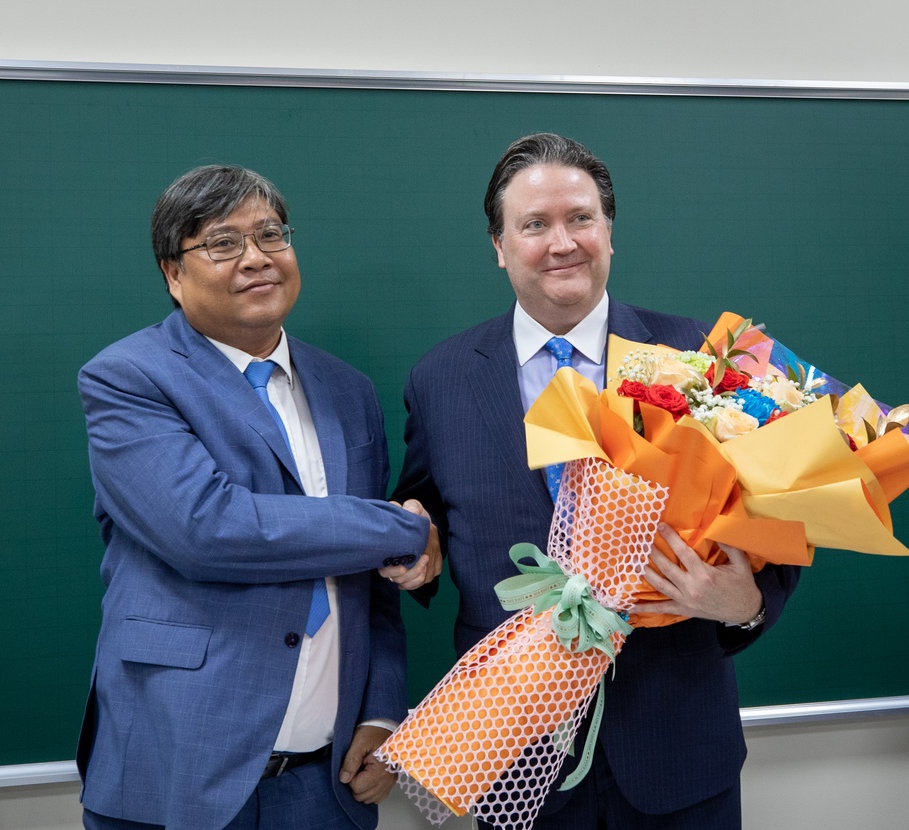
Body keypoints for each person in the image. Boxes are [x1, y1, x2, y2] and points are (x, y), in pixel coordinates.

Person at [393, 133, 801, 829]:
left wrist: (747, 604)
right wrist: (415, 541)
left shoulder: (705, 357)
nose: (563, 242)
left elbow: (780, 512)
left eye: (581, 218)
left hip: (677, 751)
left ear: (609, 231)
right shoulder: (441, 378)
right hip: (516, 752)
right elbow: (429, 510)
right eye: (535, 224)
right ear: (498, 245)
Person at [75, 164, 441, 830]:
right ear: (172, 273)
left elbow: (372, 580)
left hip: (327, 782)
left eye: (271, 234)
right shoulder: (129, 378)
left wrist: (383, 710)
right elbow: (209, 529)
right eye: (222, 242)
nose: (256, 258)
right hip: (179, 774)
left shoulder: (348, 391)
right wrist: (401, 528)